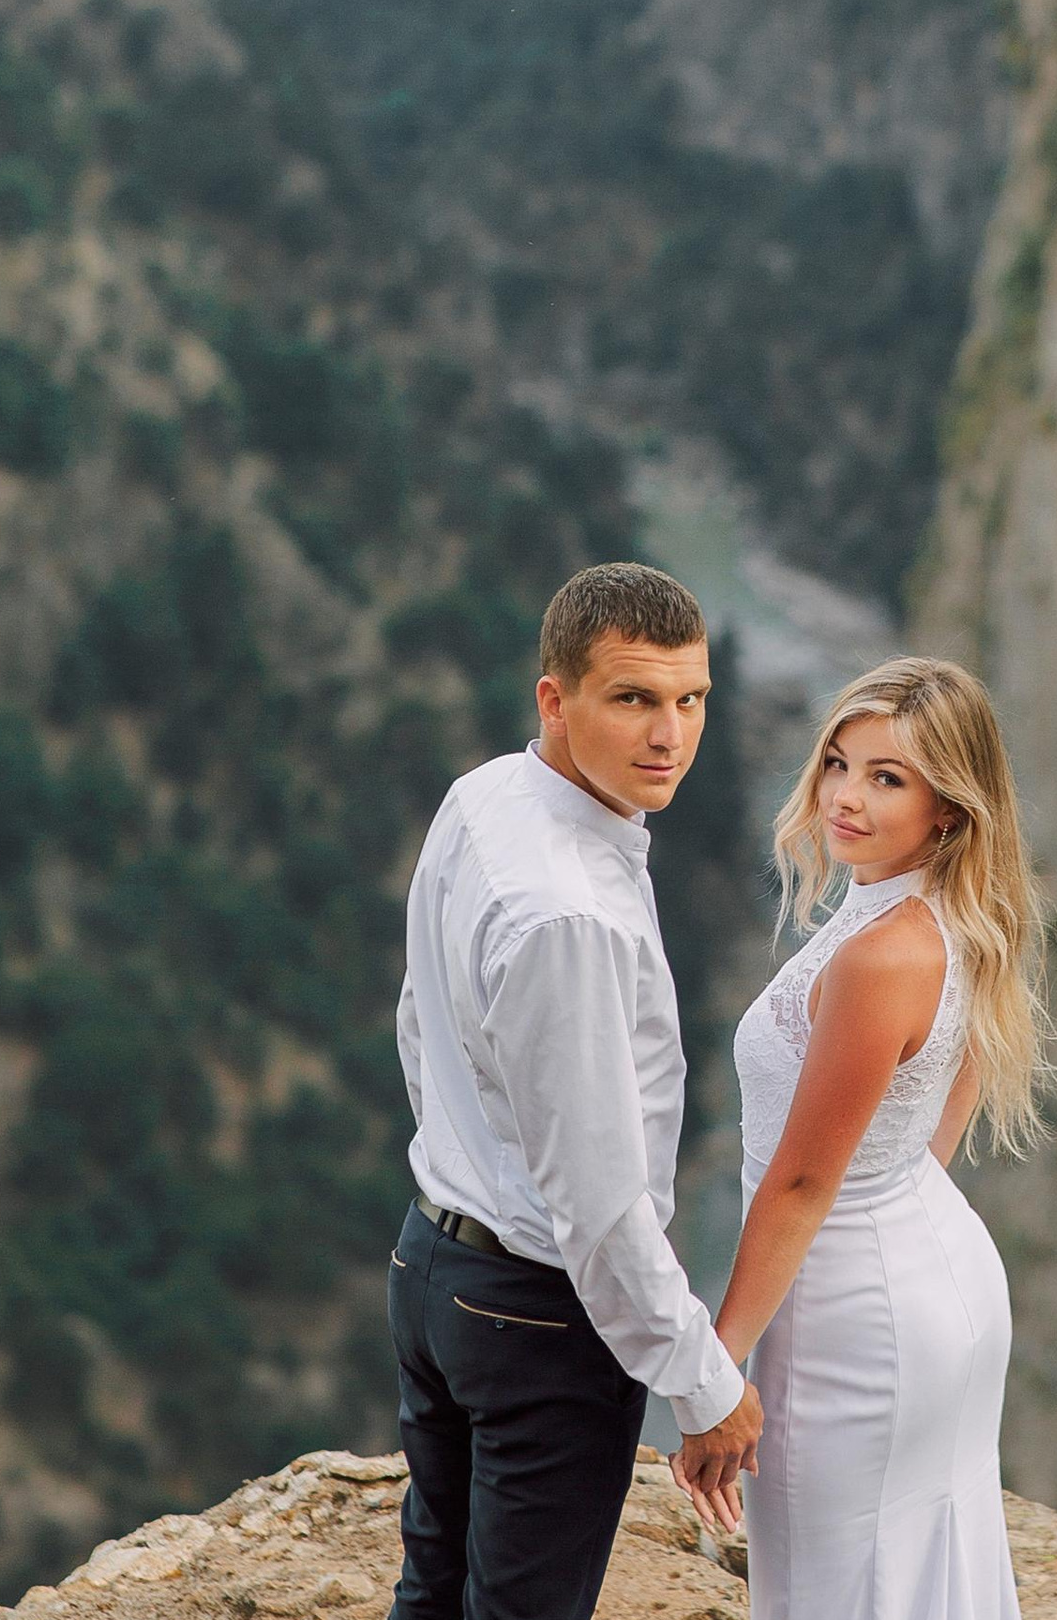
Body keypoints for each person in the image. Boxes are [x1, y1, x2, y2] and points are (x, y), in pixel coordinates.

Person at [388, 562, 763, 1620]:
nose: (670, 735)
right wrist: (703, 1382)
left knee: (433, 1591)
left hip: (432, 1261)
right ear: (555, 699)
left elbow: (419, 1022)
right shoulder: (571, 916)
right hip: (537, 1314)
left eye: (691, 699)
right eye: (633, 698)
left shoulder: (483, 797)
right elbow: (600, 1208)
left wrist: (470, 1159)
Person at [678, 656, 1054, 1619]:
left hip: (851, 1310)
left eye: (888, 778)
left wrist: (712, 1375)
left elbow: (803, 1185)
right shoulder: (956, 916)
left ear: (948, 808)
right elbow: (942, 1104)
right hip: (931, 1268)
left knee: (832, 1586)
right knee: (924, 1565)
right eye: (840, 762)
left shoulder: (883, 955)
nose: (845, 796)